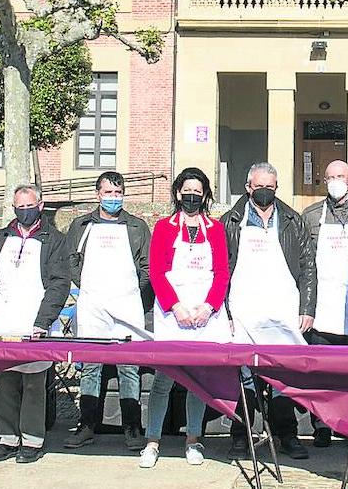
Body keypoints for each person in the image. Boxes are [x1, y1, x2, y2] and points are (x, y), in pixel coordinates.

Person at [138, 167, 231, 469]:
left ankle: (193, 439)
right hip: (172, 315)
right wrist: (175, 306)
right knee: (163, 381)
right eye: (187, 191)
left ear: (205, 195)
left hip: (206, 316)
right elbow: (156, 271)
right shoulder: (164, 227)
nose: (192, 196)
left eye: (198, 191)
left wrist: (209, 307)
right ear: (178, 193)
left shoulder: (215, 229)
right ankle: (152, 441)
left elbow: (221, 273)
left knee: (197, 382)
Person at [222, 161, 315, 460]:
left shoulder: (291, 220)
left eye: (270, 187)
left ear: (277, 188)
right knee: (245, 375)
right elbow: (221, 270)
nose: (264, 191)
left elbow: (308, 267)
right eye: (259, 186)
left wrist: (307, 307)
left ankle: (286, 435)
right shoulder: (231, 220)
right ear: (248, 187)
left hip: (281, 308)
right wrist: (225, 312)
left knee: (280, 376)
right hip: (244, 309)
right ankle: (241, 434)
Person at [0, 184, 71, 464]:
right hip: (2, 318)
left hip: (34, 320)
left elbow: (59, 283)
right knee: (5, 380)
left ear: (40, 206)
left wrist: (44, 320)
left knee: (33, 383)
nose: (25, 211)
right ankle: (6, 438)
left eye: (30, 206)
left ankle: (31, 440)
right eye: (20, 207)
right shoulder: (1, 236)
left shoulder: (54, 239)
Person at [63, 172, 151, 451]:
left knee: (129, 368)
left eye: (118, 192)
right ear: (97, 194)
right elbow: (71, 261)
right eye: (108, 193)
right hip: (93, 305)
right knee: (90, 366)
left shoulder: (137, 227)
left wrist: (130, 291)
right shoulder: (82, 225)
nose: (113, 198)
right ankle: (87, 425)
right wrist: (89, 287)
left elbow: (147, 268)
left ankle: (133, 428)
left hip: (127, 305)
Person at [300, 159, 348, 448]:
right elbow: (304, 263)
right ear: (324, 181)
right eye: (331, 177)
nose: (336, 181)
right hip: (323, 305)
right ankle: (321, 426)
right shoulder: (311, 215)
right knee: (322, 372)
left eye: (341, 176)